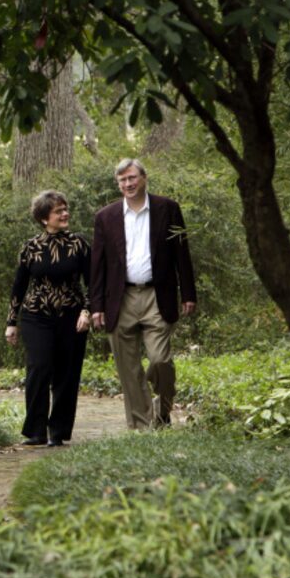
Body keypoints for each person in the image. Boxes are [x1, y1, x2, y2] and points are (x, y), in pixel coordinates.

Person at [89, 159, 196, 430]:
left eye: (132, 178)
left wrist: (188, 293)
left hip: (157, 296)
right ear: (118, 184)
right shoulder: (106, 216)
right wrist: (96, 306)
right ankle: (142, 426)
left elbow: (182, 253)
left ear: (144, 178)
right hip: (120, 298)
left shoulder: (167, 209)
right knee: (128, 368)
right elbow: (98, 265)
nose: (128, 184)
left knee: (160, 360)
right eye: (123, 180)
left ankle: (161, 413)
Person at [5, 190, 91, 447]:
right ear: (44, 218)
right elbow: (19, 287)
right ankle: (36, 430)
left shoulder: (80, 244)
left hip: (72, 317)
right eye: (58, 211)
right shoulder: (30, 248)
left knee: (67, 374)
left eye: (66, 209)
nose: (65, 214)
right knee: (39, 369)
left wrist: (87, 311)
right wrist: (11, 323)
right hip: (36, 316)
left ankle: (58, 432)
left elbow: (94, 282)